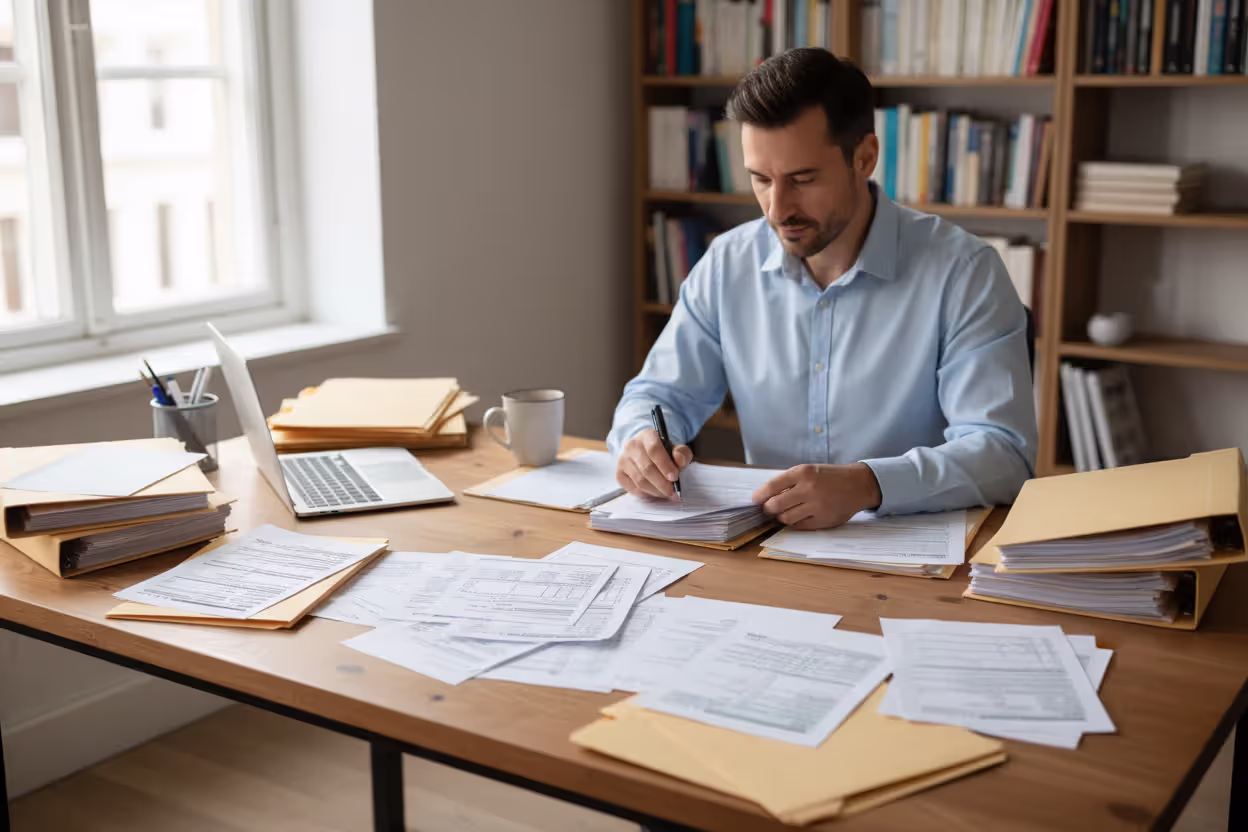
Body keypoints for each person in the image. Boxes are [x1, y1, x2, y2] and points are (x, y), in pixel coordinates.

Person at [608, 48, 1037, 531]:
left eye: (802, 179)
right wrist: (641, 437)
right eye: (760, 179)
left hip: (914, 558)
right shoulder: (728, 264)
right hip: (767, 550)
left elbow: (1004, 453)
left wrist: (868, 484)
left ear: (865, 158)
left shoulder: (965, 273)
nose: (777, 208)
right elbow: (660, 392)